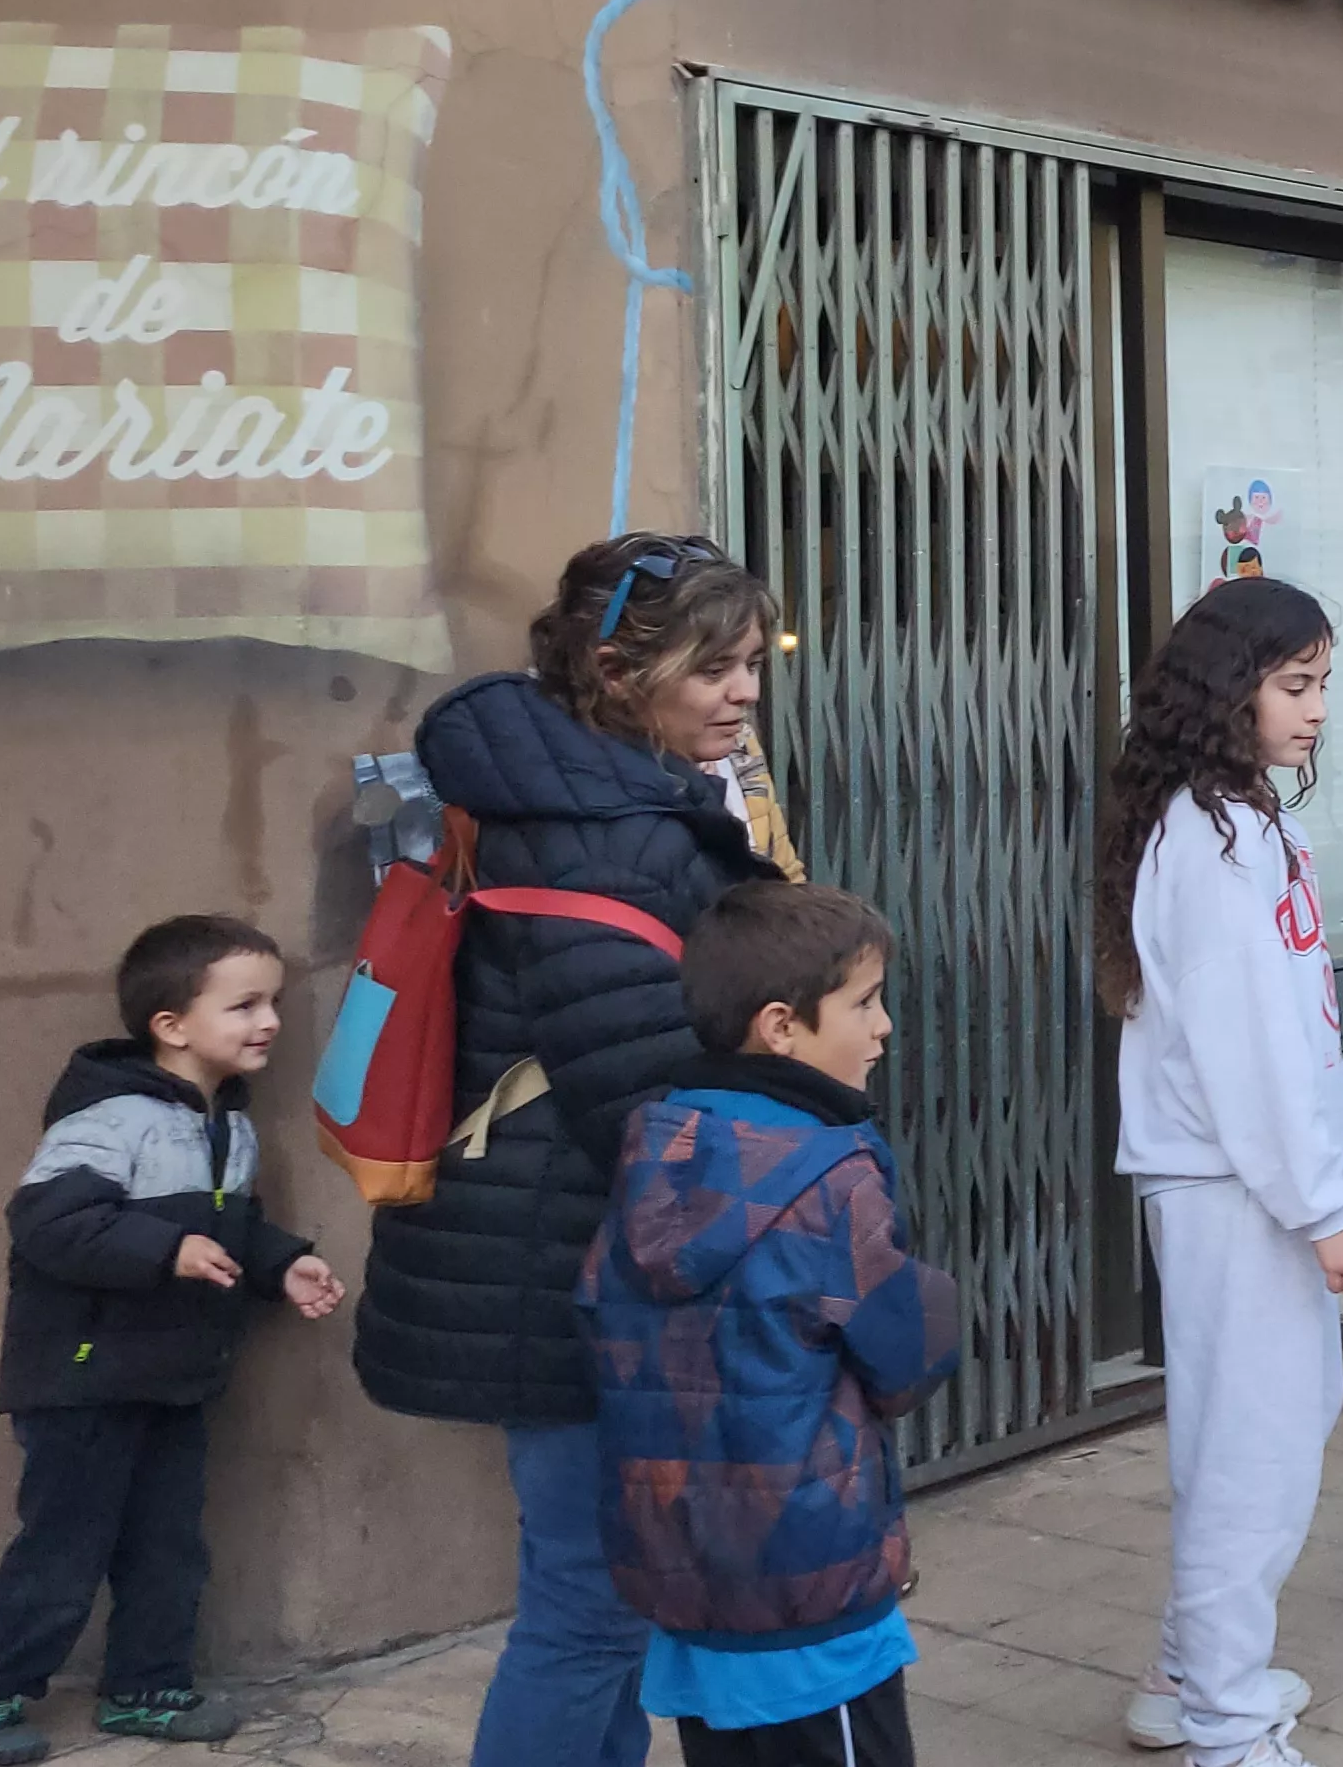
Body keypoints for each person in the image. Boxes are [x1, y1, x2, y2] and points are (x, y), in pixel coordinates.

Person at [354, 535, 797, 1767]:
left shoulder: (593, 793)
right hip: (572, 1267)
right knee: (588, 1610)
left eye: (752, 662)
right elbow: (644, 1094)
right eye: (715, 667)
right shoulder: (602, 830)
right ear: (616, 668)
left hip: (555, 1249)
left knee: (598, 1598)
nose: (744, 691)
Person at [0, 919, 343, 1767]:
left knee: (168, 1543)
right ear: (171, 1023)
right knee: (63, 1546)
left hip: (173, 1375)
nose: (269, 1020)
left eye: (272, 1002)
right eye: (244, 1005)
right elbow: (49, 1222)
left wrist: (284, 1267)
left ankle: (145, 1688)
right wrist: (165, 1249)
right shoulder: (111, 1117)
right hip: (83, 1379)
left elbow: (237, 1227)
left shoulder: (226, 1122)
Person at [1099, 579, 1343, 1763]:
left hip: (1255, 1175)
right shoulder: (1208, 834)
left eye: (1320, 681)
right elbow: (1247, 1044)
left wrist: (1341, 1156)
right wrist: (1324, 1201)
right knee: (1247, 1451)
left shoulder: (1237, 817)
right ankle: (1222, 1715)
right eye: (1295, 683)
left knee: (1273, 1425)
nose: (1316, 708)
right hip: (1232, 1185)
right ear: (1231, 692)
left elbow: (1295, 1021)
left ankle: (1190, 1670)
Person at [579, 883, 960, 1767]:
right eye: (863, 1003)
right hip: (808, 1571)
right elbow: (902, 1357)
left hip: (683, 1564)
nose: (884, 1027)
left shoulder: (653, 1149)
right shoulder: (834, 1170)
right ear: (781, 1027)